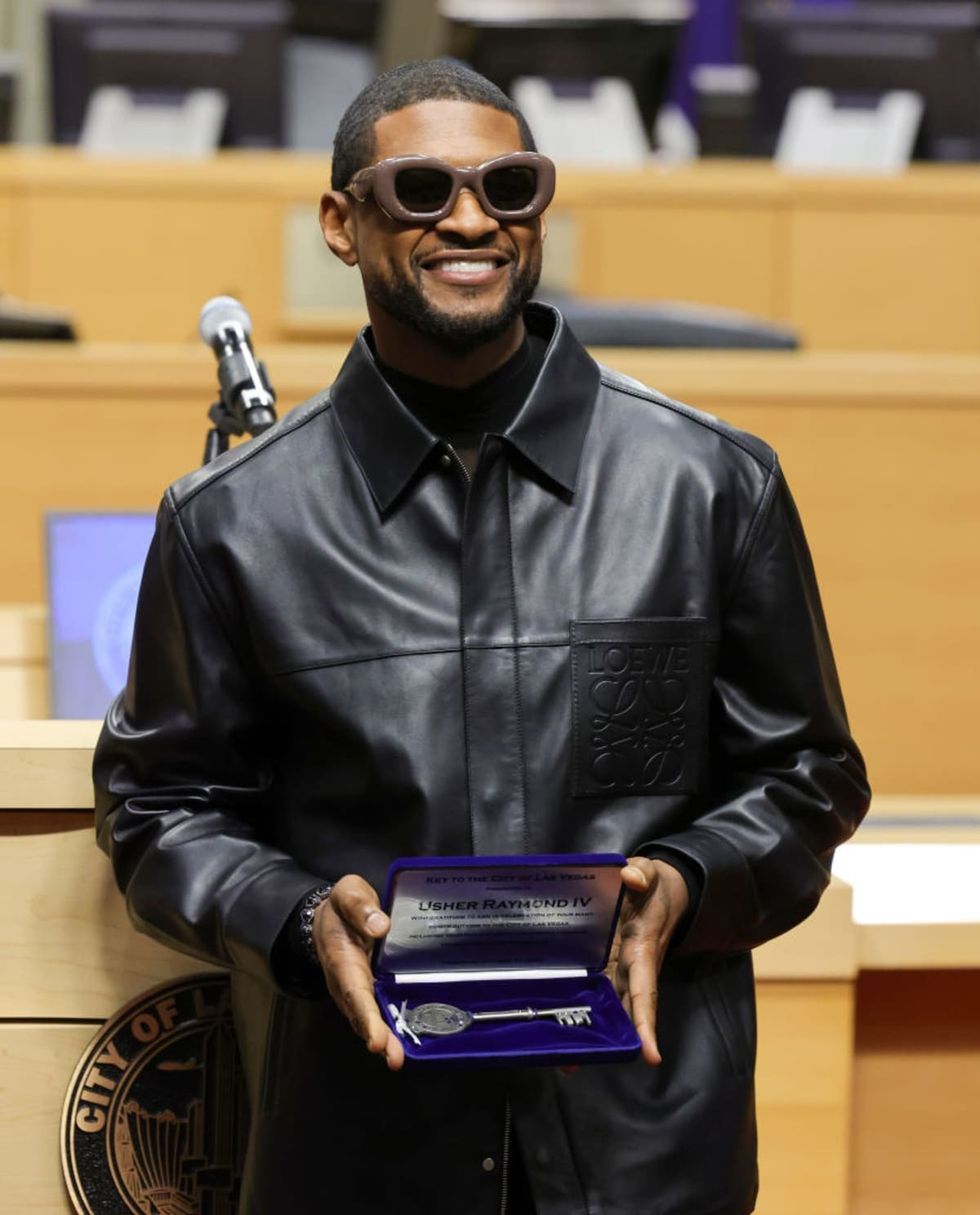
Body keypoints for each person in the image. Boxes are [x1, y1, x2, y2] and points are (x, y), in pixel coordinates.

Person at [94, 59, 870, 1215]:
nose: (471, 219)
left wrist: (691, 881)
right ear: (339, 224)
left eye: (509, 185)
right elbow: (158, 807)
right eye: (420, 190)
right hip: (358, 1152)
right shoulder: (231, 520)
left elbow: (808, 777)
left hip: (642, 1153)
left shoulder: (708, 486)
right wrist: (297, 920)